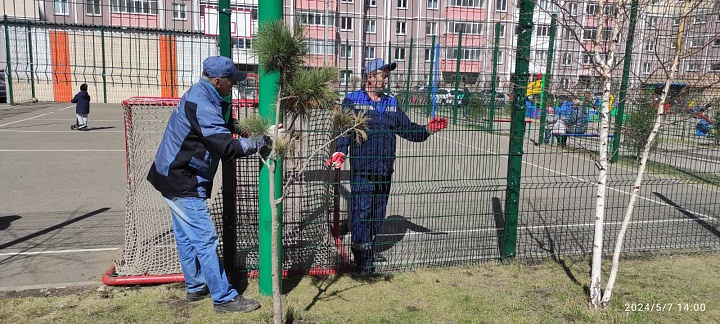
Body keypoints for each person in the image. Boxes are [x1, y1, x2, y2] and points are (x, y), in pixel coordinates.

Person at [147, 56, 282, 313]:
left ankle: (196, 285)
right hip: (180, 180)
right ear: (218, 81)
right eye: (231, 81)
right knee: (205, 238)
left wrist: (250, 130)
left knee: (186, 235)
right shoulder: (202, 104)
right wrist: (263, 140)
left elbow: (226, 124)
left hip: (169, 175)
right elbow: (226, 147)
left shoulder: (205, 95)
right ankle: (223, 297)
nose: (234, 85)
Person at [326, 58, 448, 275]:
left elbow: (408, 129)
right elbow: (344, 130)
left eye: (386, 75)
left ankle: (367, 249)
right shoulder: (352, 100)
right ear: (370, 77)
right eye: (382, 75)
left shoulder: (391, 102)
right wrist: (340, 151)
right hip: (362, 169)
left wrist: (427, 129)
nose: (385, 79)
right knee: (362, 212)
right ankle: (363, 261)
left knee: (377, 214)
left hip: (384, 169)